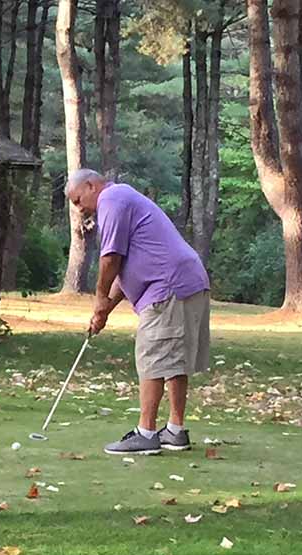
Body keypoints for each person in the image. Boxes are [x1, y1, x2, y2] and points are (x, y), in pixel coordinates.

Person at [67, 168, 211, 455]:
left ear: (91, 185)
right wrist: (107, 308)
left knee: (153, 357)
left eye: (78, 200)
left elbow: (111, 259)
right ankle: (175, 431)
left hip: (168, 287)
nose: (79, 208)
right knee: (173, 361)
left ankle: (146, 433)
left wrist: (98, 298)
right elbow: (127, 269)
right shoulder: (123, 199)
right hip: (185, 281)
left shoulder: (112, 200)